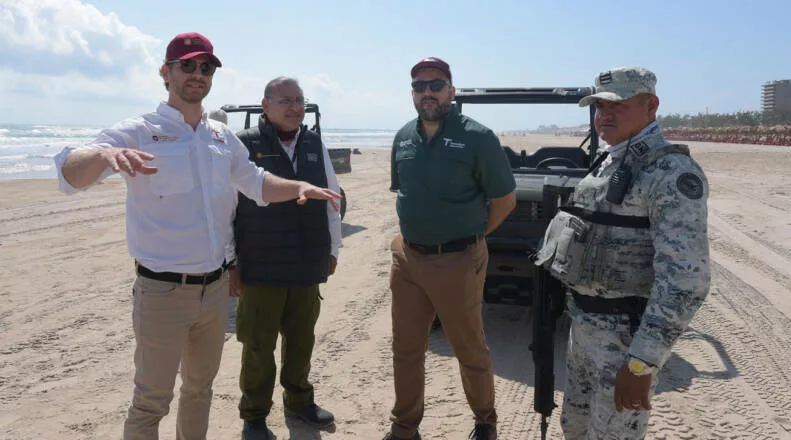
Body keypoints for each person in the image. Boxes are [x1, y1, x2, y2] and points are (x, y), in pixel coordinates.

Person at [53, 32, 339, 440]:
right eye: (187, 65)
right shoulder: (140, 130)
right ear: (165, 73)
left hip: (215, 289)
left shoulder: (220, 137)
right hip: (161, 292)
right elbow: (69, 173)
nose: (197, 74)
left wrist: (297, 188)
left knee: (199, 392)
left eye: (205, 67)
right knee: (150, 401)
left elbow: (256, 183)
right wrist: (102, 156)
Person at [534, 67, 710, 439]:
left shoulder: (670, 174)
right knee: (575, 429)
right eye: (599, 106)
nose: (605, 115)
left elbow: (685, 281)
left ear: (651, 106)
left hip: (624, 343)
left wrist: (642, 363)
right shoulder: (610, 162)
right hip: (582, 330)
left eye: (619, 105)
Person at [384, 57, 517, 440]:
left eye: (436, 85)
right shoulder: (404, 136)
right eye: (420, 86)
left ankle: (485, 421)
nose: (428, 92)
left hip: (458, 259)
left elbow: (504, 200)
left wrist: (471, 239)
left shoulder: (477, 137)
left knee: (469, 348)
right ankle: (404, 427)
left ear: (451, 91)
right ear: (413, 93)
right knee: (405, 350)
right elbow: (405, 191)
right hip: (407, 258)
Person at [231, 77, 341, 440]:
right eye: (286, 101)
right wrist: (231, 263)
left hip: (307, 263)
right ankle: (255, 417)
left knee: (301, 341)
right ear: (265, 106)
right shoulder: (244, 145)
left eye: (300, 100)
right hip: (260, 265)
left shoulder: (313, 143)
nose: (295, 108)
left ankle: (299, 403)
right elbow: (226, 209)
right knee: (258, 346)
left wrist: (332, 249)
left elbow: (332, 199)